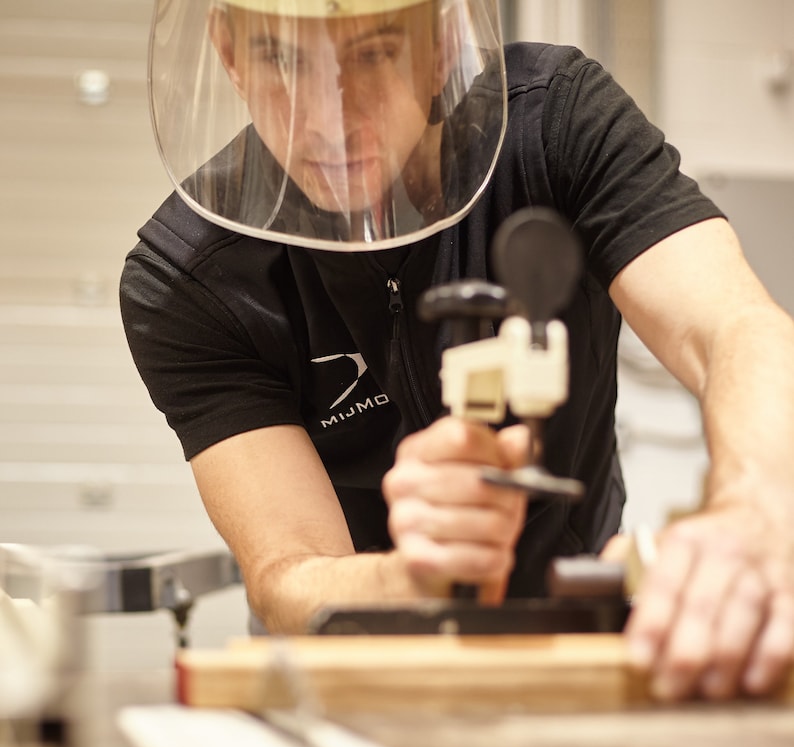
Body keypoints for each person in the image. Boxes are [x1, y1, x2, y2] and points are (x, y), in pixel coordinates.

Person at [120, 0, 794, 703]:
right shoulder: (188, 280)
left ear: (442, 44)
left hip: (573, 636)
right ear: (227, 52)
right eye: (280, 59)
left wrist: (754, 516)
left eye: (374, 53)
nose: (324, 118)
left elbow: (735, 328)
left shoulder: (558, 125)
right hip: (354, 669)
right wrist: (411, 575)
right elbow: (289, 574)